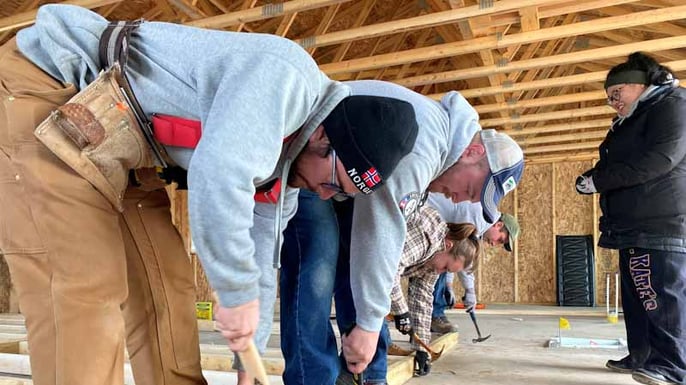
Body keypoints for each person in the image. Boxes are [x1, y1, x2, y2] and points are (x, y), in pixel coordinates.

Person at [0, 5, 420, 385]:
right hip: (49, 89)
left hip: (120, 138)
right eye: (333, 182)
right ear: (324, 135)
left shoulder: (288, 166)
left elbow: (259, 258)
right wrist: (235, 296)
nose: (326, 196)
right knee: (84, 288)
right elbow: (217, 175)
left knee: (167, 284)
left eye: (340, 195)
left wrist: (246, 366)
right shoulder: (284, 80)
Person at [280, 80, 524, 385]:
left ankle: (361, 375)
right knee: (316, 261)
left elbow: (371, 259)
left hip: (344, 179)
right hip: (315, 159)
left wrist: (375, 332)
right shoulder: (424, 149)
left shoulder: (440, 149)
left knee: (353, 272)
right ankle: (311, 379)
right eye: (471, 189)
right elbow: (379, 236)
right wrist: (369, 325)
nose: (460, 199)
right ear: (473, 152)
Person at [575, 52, 685, 385]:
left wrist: (599, 181)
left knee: (660, 298)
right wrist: (594, 175)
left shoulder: (674, 106)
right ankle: (642, 355)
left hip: (661, 221)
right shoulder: (636, 118)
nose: (612, 103)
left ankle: (673, 366)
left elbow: (659, 160)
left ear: (639, 85)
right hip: (636, 224)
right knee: (638, 296)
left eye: (616, 94)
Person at [389, 206, 481, 377]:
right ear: (447, 245)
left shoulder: (435, 258)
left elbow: (422, 298)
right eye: (445, 267)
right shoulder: (427, 237)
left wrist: (422, 348)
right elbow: (388, 268)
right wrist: (401, 312)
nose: (440, 272)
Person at [427, 196, 520, 334]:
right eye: (500, 240)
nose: (494, 244)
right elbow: (461, 255)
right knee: (435, 267)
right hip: (422, 217)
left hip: (431, 224)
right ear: (498, 225)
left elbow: (454, 253)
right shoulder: (479, 217)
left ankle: (431, 316)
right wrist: (470, 291)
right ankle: (433, 317)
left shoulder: (483, 219)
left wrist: (448, 284)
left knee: (442, 264)